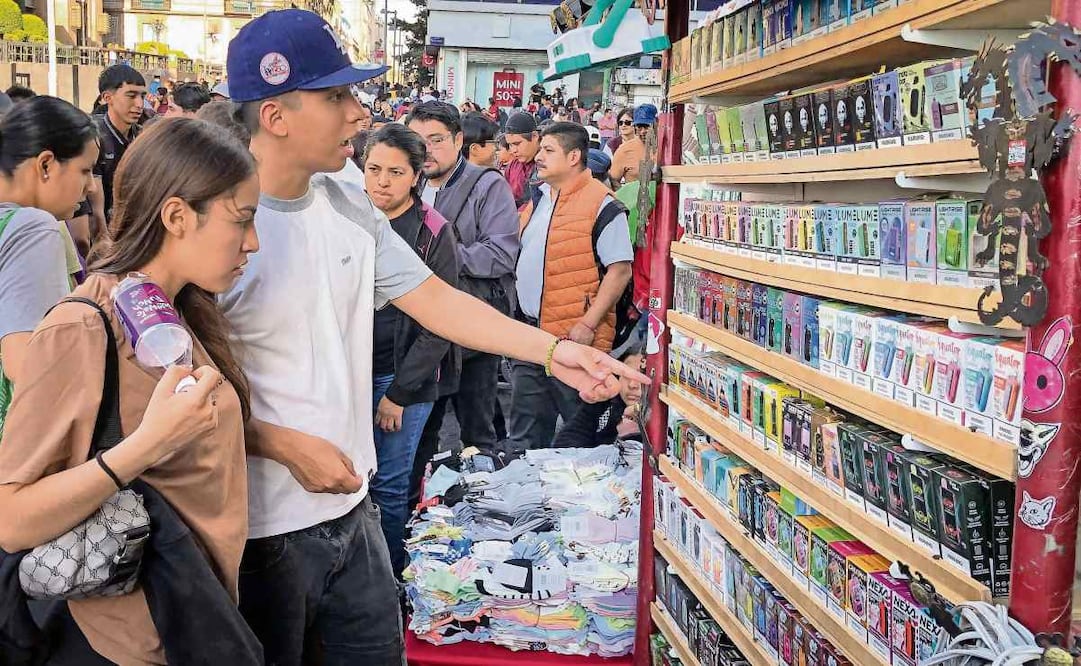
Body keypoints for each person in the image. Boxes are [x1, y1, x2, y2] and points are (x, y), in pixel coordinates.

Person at [223, 12, 646, 663]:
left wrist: (556, 351)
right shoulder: (212, 218)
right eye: (335, 96)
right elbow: (168, 383)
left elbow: (436, 300)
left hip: (352, 511)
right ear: (277, 115)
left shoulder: (344, 196)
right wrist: (278, 445)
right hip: (258, 530)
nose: (356, 113)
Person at [0, 117, 261, 664]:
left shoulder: (178, 308)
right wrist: (146, 445)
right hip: (120, 639)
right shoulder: (82, 327)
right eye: (243, 220)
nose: (253, 243)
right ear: (176, 216)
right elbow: (11, 516)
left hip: (189, 613)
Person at [362, 124, 459, 576]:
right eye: (373, 169)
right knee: (353, 483)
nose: (382, 181)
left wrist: (398, 394)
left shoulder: (433, 232)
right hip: (352, 372)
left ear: (416, 176)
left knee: (391, 486)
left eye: (395, 172)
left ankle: (391, 582)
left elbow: (440, 324)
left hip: (405, 378)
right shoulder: (349, 218)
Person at [406, 100, 519, 488]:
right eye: (418, 141)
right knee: (421, 433)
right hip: (425, 330)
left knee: (477, 432)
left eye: (436, 140)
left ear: (458, 141)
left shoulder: (488, 185)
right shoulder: (411, 184)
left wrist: (440, 257)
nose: (427, 150)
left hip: (472, 327)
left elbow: (501, 253)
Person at [511, 122, 634, 451]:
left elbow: (620, 270)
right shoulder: (538, 200)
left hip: (577, 338)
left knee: (581, 438)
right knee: (524, 436)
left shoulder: (601, 204)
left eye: (549, 150)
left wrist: (588, 322)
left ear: (574, 156)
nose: (539, 157)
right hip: (532, 337)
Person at [0, 96, 98, 434]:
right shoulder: (33, 227)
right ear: (45, 165)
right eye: (84, 171)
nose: (91, 186)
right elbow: (28, 362)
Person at [88, 64, 146, 242]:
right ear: (107, 97)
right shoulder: (93, 137)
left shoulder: (144, 136)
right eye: (131, 95)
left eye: (142, 96)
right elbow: (97, 211)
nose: (139, 104)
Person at [552, 347, 645, 448]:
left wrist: (631, 431)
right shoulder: (606, 398)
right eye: (626, 375)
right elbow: (571, 436)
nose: (632, 385)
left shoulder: (662, 421)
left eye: (643, 376)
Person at [610, 103, 656, 187]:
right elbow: (613, 181)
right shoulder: (624, 150)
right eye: (639, 127)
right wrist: (624, 197)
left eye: (646, 127)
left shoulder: (668, 148)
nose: (642, 132)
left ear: (656, 124)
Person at [503, 112, 541, 208]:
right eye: (510, 145)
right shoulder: (512, 166)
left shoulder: (549, 164)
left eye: (517, 144)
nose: (513, 150)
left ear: (535, 137)